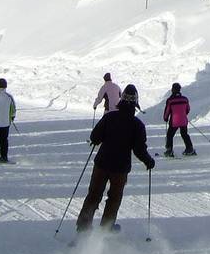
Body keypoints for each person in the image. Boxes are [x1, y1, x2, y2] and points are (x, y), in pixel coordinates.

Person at [77, 84, 154, 233]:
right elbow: (139, 149)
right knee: (114, 198)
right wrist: (148, 161)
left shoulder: (110, 117)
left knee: (93, 195)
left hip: (102, 163)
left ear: (122, 100)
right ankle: (106, 228)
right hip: (120, 168)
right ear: (136, 103)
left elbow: (94, 137)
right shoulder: (137, 125)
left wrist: (100, 139)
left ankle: (83, 226)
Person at [162, 83, 195, 157]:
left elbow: (167, 111)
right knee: (184, 134)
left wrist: (165, 118)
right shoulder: (185, 99)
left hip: (174, 121)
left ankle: (169, 150)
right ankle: (190, 149)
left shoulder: (170, 100)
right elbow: (188, 109)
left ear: (172, 90)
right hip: (183, 120)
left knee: (170, 135)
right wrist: (183, 114)